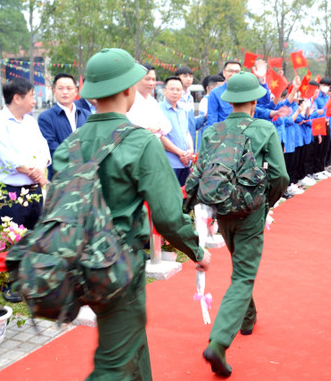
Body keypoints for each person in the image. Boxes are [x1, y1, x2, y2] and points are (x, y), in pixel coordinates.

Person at [53, 48, 210, 381]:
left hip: (81, 264)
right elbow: (168, 217)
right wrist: (198, 249)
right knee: (113, 362)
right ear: (128, 91)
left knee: (130, 340)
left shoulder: (71, 143)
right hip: (120, 265)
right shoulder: (140, 142)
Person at [195, 71, 288, 376]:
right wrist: (265, 204)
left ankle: (247, 319)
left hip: (223, 212)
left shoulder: (211, 131)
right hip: (250, 212)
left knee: (240, 268)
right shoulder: (264, 128)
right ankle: (219, 342)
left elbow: (200, 173)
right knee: (244, 276)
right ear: (254, 100)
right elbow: (281, 176)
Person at [0, 77, 50, 230]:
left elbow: (43, 148)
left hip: (35, 192)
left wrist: (41, 168)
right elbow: (9, 159)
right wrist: (37, 174)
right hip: (11, 194)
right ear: (17, 98)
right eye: (31, 96)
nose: (35, 100)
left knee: (36, 242)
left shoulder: (30, 121)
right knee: (10, 245)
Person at [37, 73, 90, 179]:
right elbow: (52, 148)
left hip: (85, 177)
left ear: (76, 91)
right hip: (60, 178)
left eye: (69, 88)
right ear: (54, 91)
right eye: (60, 88)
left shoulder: (86, 115)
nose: (65, 92)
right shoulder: (46, 118)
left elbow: (91, 143)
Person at [159, 76, 194, 186]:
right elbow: (160, 137)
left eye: (178, 90)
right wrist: (180, 153)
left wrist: (191, 150)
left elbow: (186, 132)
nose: (175, 92)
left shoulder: (183, 110)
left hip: (185, 162)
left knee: (183, 196)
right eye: (172, 89)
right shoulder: (158, 110)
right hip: (170, 162)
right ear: (164, 91)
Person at [126, 65, 172, 137]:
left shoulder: (152, 102)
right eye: (147, 79)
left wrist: (158, 128)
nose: (151, 83)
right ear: (137, 80)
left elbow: (167, 125)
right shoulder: (130, 100)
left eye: (153, 79)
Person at [206, 61, 243, 125]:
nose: (233, 74)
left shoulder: (247, 91)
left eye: (237, 72)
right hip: (224, 132)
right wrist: (223, 134)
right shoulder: (215, 93)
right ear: (224, 73)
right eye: (230, 71)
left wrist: (262, 80)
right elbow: (212, 120)